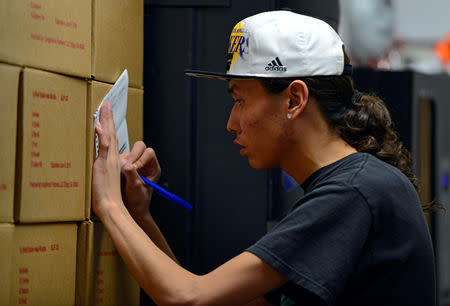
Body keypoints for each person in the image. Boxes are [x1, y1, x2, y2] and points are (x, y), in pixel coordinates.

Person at [92, 11, 436, 305]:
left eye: (240, 100)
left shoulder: (354, 194)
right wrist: (138, 215)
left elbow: (189, 297)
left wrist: (108, 203)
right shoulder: (350, 188)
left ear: (294, 99)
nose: (230, 123)